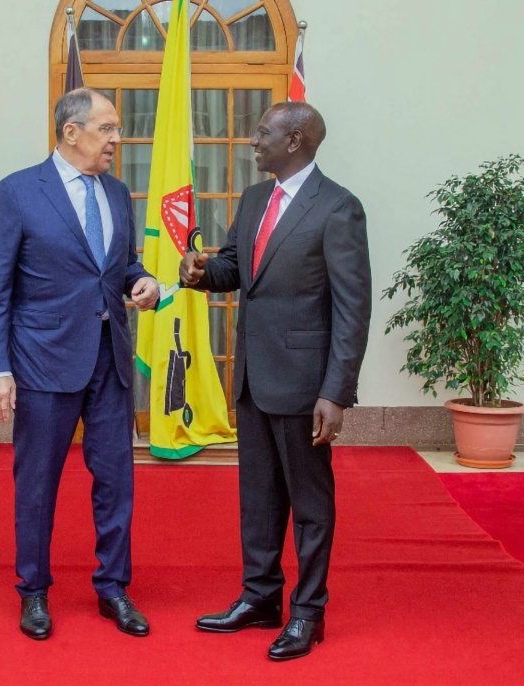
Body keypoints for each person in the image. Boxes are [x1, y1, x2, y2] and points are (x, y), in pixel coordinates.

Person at [180, 101, 372, 661]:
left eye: (262, 132)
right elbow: (235, 269)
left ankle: (308, 612)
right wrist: (198, 272)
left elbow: (352, 308)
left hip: (306, 384)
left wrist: (336, 392)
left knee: (310, 504)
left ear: (295, 141)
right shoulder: (255, 198)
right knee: (258, 499)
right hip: (253, 379)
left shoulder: (339, 208)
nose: (251, 141)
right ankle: (260, 598)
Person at [0, 88, 160, 641]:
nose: (116, 139)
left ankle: (113, 588)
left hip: (109, 362)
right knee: (37, 484)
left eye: (116, 129)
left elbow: (122, 265)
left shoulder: (117, 192)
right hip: (42, 364)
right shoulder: (18, 192)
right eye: (107, 128)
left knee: (116, 482)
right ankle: (33, 591)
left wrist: (142, 281)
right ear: (70, 132)